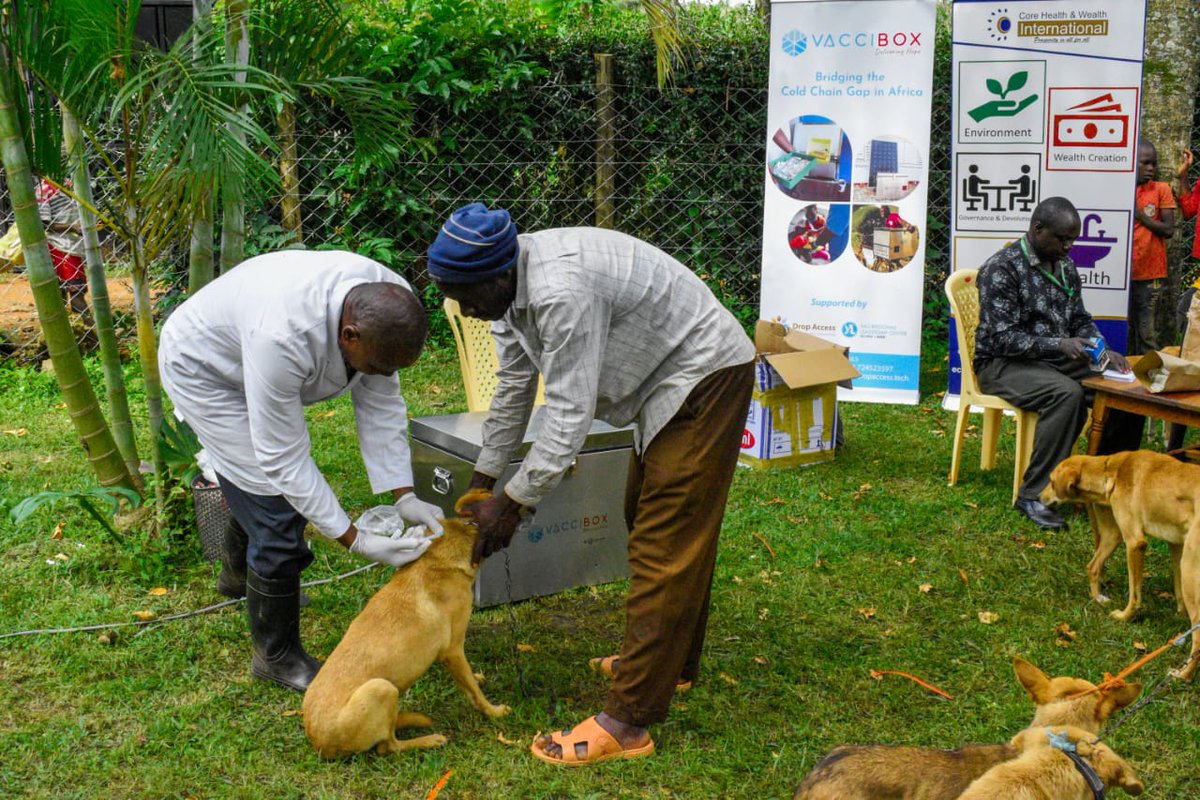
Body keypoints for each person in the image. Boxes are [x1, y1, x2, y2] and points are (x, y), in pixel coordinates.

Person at [426, 203, 755, 765]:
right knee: (648, 518)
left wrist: (513, 504)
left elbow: (567, 418)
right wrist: (483, 484)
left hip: (702, 374)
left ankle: (627, 722)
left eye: (467, 294)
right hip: (661, 384)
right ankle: (669, 667)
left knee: (665, 542)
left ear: (500, 274)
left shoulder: (559, 292)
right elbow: (511, 392)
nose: (464, 309)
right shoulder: (505, 291)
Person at [158, 250, 445, 692]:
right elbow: (284, 459)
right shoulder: (282, 335)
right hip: (206, 371)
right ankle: (276, 656)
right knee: (274, 506)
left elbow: (382, 400)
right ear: (349, 334)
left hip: (250, 345)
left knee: (260, 487)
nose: (383, 374)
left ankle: (238, 577)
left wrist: (403, 494)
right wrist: (355, 539)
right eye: (376, 365)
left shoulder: (385, 302)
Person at [974, 197, 1144, 530]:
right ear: (1038, 230)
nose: (1068, 247)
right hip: (1001, 363)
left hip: (1053, 358)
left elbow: (1079, 318)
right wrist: (1059, 344)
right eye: (1062, 239)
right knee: (1066, 395)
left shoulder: (1064, 265)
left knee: (1126, 385)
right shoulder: (1001, 269)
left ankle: (1105, 481)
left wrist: (1101, 349)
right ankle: (1034, 496)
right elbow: (1002, 338)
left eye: (1072, 240)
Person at [1128, 139, 1175, 355]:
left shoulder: (1161, 189)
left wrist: (1140, 216)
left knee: (1147, 332)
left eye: (1153, 164)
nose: (1150, 169)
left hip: (1150, 275)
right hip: (1123, 276)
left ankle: (1148, 380)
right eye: (1145, 163)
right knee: (1123, 329)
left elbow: (1168, 229)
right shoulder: (1120, 188)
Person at [35, 177, 93, 324]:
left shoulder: (67, 183)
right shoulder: (43, 189)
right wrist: (73, 228)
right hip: (60, 246)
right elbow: (44, 223)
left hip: (72, 245)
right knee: (76, 291)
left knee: (65, 289)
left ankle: (71, 329)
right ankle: (93, 329)